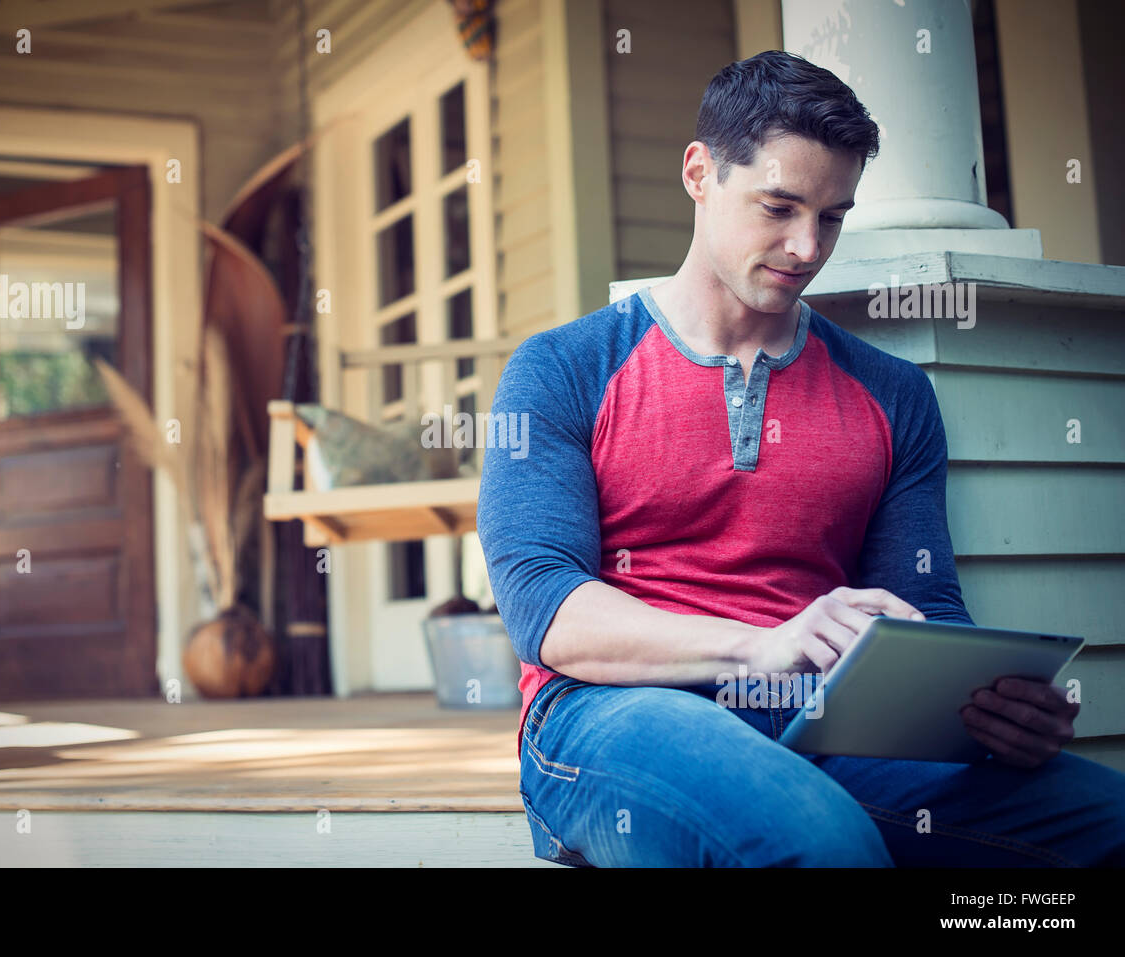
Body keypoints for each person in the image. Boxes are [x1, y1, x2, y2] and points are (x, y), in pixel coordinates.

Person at [475, 50, 1125, 867]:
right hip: (608, 713)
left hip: (827, 721)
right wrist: (761, 642)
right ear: (699, 173)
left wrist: (985, 709)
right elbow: (546, 612)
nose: (805, 246)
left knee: (1109, 821)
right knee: (818, 842)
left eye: (833, 216)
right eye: (778, 207)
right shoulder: (563, 368)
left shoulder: (892, 395)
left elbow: (922, 607)